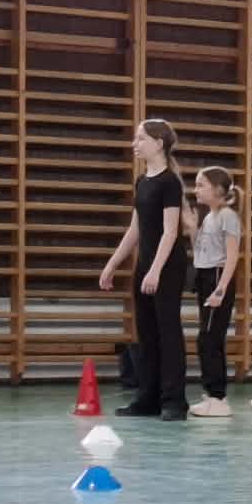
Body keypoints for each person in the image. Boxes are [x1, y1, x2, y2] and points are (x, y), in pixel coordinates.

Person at [99, 118, 190, 421]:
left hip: (167, 266)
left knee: (168, 332)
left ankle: (174, 401)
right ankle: (148, 398)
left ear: (158, 144)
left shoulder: (169, 182)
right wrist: (112, 264)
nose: (134, 144)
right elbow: (135, 229)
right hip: (146, 265)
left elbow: (170, 231)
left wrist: (156, 270)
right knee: (147, 332)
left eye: (140, 139)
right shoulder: (142, 181)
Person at [186, 166, 243, 418]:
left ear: (218, 189)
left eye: (201, 185)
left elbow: (232, 256)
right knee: (207, 338)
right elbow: (200, 251)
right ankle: (212, 395)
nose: (196, 189)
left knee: (209, 339)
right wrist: (192, 229)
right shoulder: (209, 216)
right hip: (205, 276)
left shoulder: (227, 216)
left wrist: (220, 289)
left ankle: (217, 397)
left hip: (218, 277)